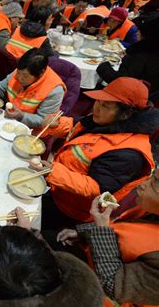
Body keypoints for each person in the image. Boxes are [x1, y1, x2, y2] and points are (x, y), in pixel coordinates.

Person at [34, 77, 157, 231]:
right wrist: (56, 124)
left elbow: (97, 189)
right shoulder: (105, 121)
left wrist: (53, 171)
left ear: (125, 114)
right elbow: (78, 126)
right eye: (98, 101)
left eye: (105, 105)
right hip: (59, 189)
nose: (96, 108)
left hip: (73, 209)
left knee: (38, 226)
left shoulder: (128, 154)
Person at [56, 167, 159, 306]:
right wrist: (84, 233)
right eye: (153, 176)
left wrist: (101, 228)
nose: (142, 184)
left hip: (91, 294)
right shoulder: (150, 207)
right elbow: (124, 229)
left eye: (156, 183)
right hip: (90, 258)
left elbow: (112, 286)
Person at [0, 48, 65, 128]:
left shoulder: (54, 90)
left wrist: (21, 116)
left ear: (41, 73)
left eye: (25, 76)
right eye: (18, 72)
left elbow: (44, 120)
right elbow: (0, 90)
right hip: (7, 121)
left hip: (30, 131)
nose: (19, 78)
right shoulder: (21, 71)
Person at [97, 10, 159, 95]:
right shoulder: (150, 51)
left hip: (129, 97)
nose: (137, 33)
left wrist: (103, 65)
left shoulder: (138, 54)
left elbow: (119, 81)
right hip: (149, 95)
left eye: (140, 31)